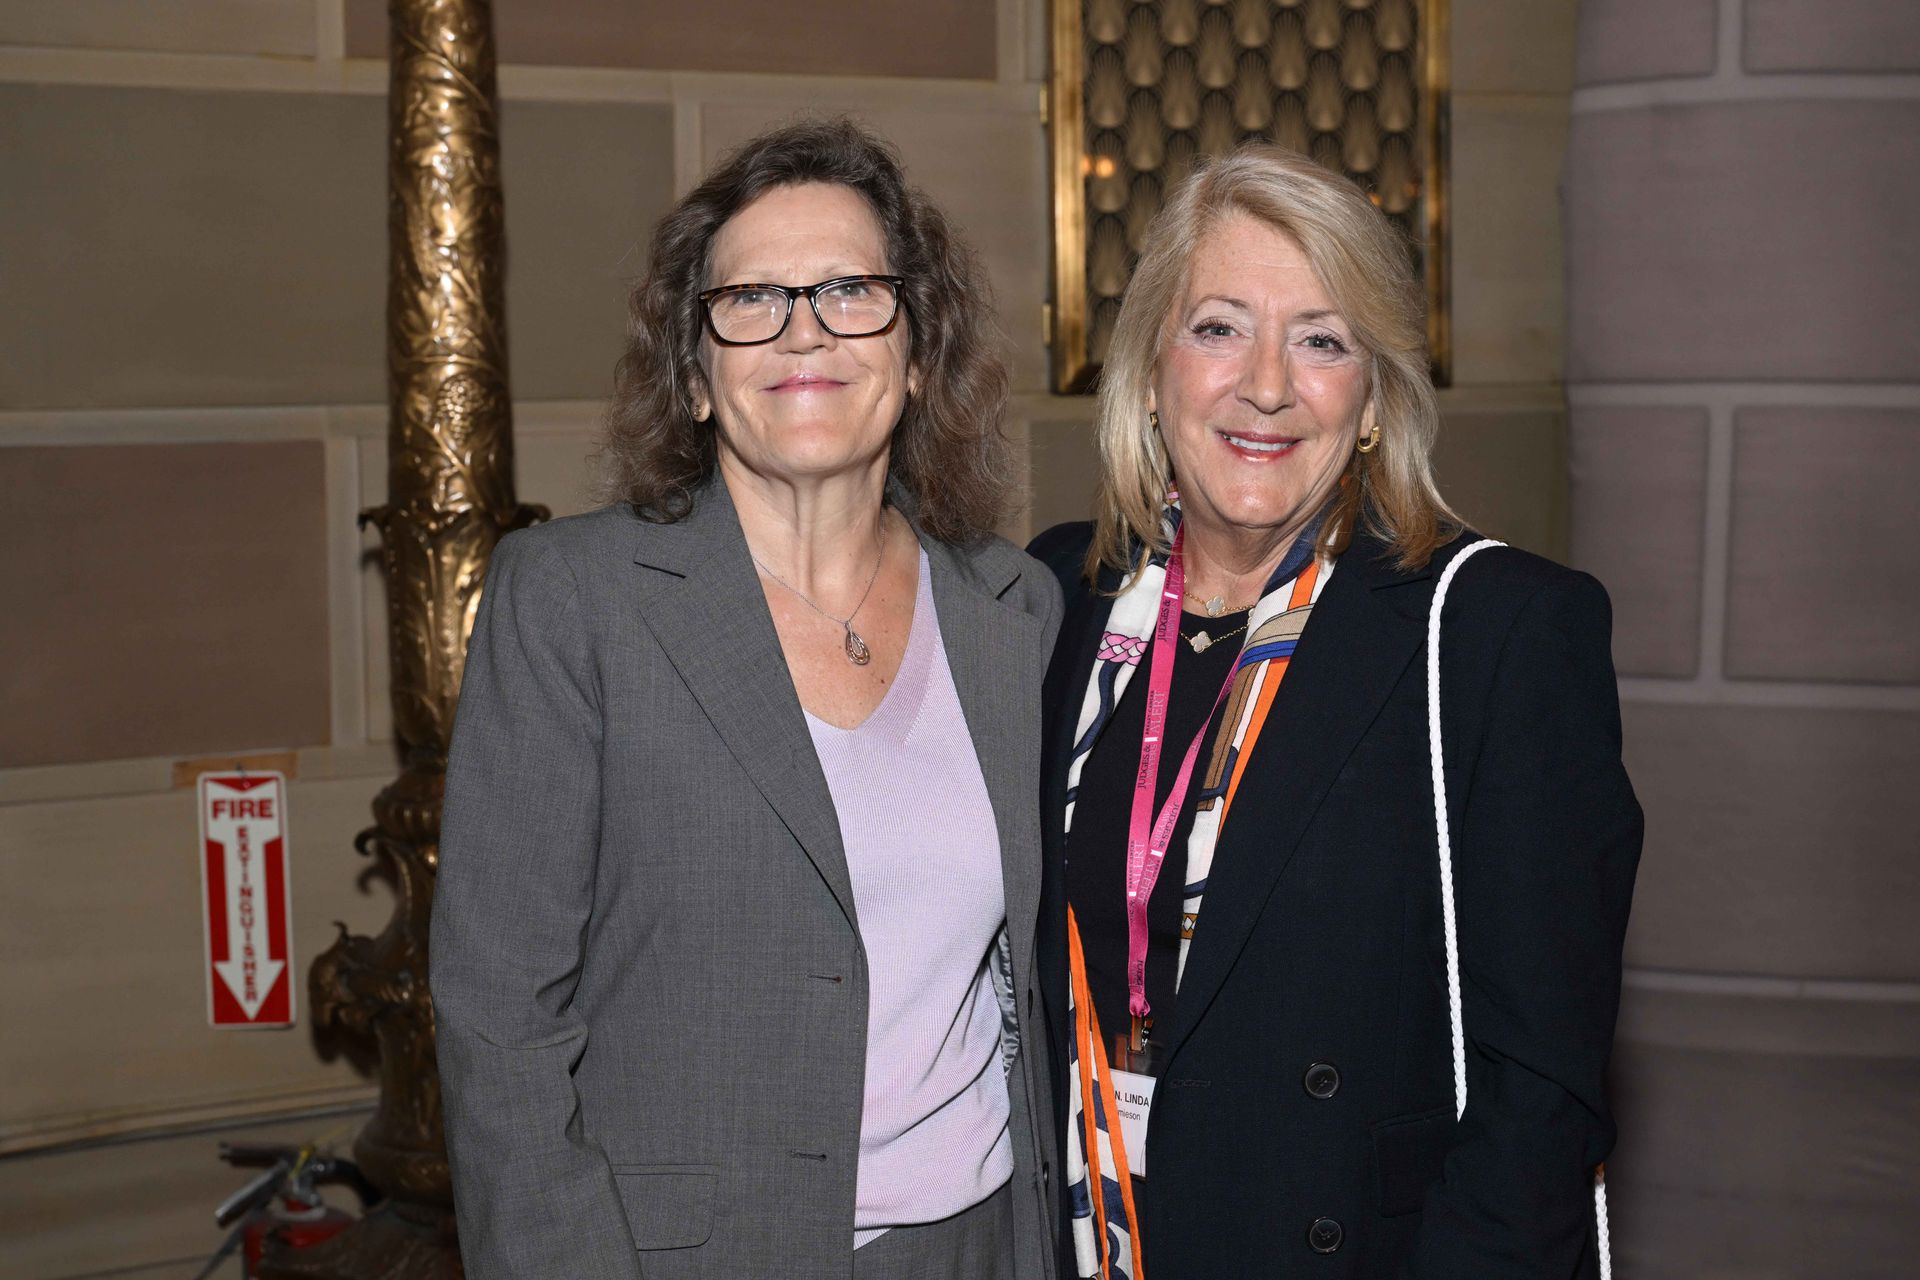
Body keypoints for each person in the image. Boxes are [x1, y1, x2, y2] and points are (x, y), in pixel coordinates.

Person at [431, 119, 1062, 1280]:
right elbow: (497, 1017)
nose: (803, 329)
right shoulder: (575, 601)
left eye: (851, 291)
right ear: (694, 375)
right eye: (752, 299)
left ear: (918, 354)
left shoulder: (1014, 610)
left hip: (984, 1242)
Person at [1029, 144, 1642, 1278]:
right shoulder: (1056, 595)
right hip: (1088, 1232)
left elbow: (1541, 1096)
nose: (1267, 384)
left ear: (1371, 398)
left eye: (1321, 340)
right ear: (1152, 369)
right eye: (1219, 327)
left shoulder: (1497, 632)